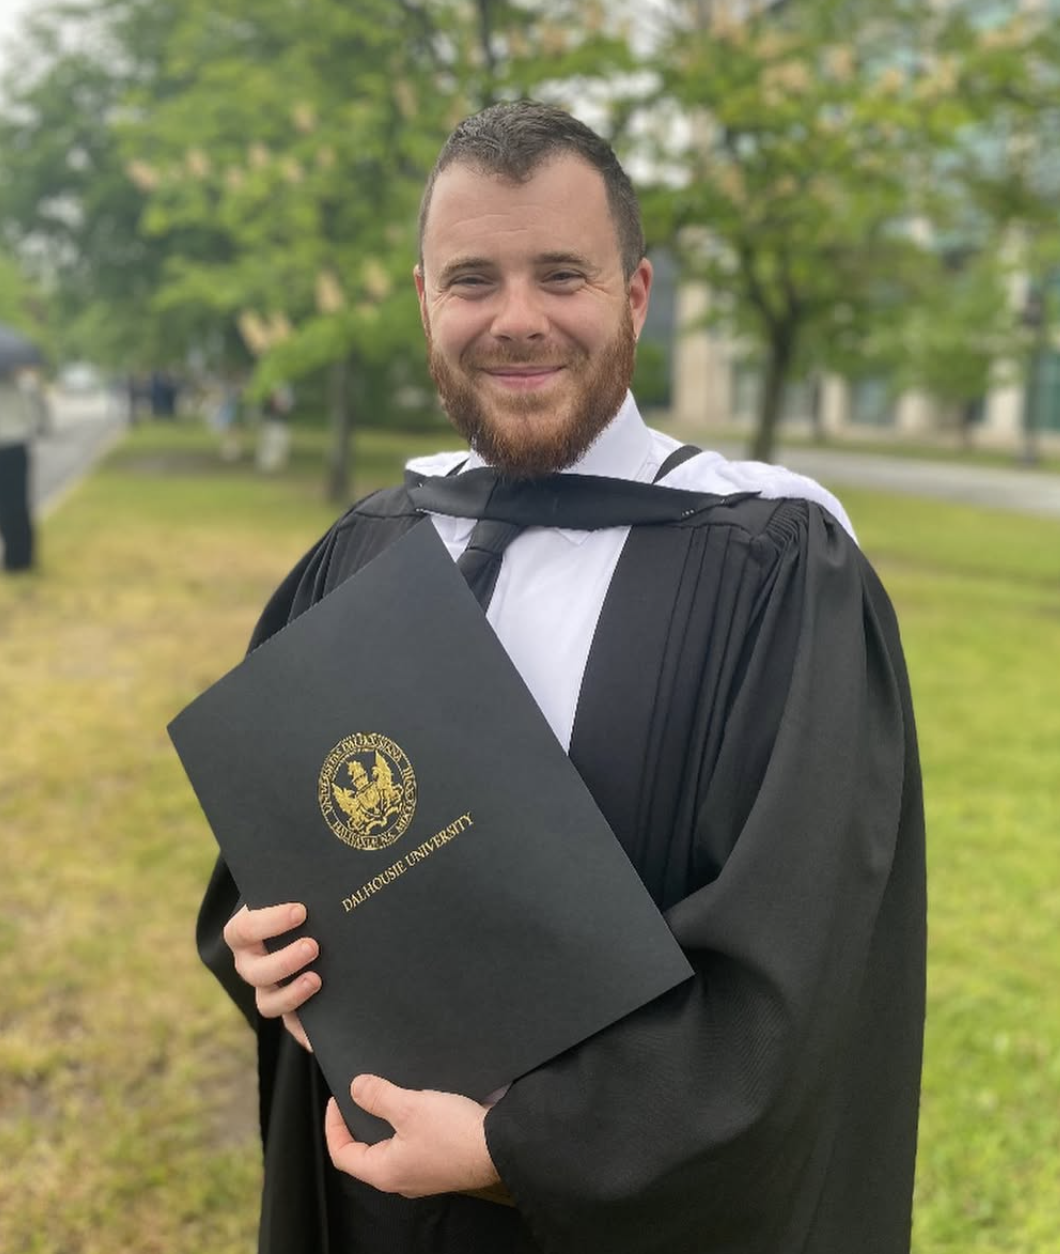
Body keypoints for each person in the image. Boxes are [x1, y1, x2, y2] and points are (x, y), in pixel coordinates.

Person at [199, 101, 926, 1254]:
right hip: (380, 1208)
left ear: (634, 297)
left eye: (563, 276)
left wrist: (516, 1148)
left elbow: (795, 980)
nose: (517, 320)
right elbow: (272, 869)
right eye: (473, 280)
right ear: (424, 301)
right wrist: (256, 944)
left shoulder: (776, 571)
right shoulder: (365, 550)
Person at [0, 365, 46, 572]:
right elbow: (38, 417)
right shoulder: (25, 385)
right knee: (19, 504)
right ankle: (23, 557)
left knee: (4, 505)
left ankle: (11, 555)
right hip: (17, 448)